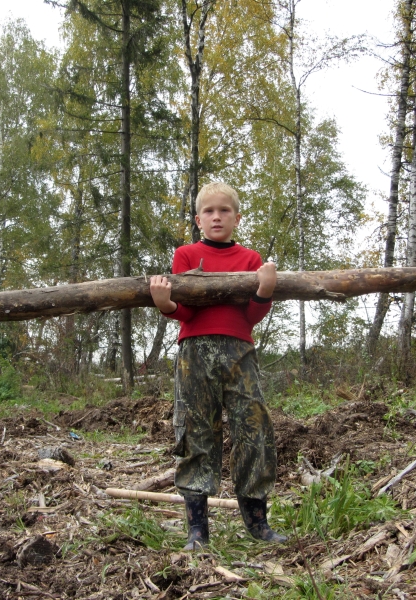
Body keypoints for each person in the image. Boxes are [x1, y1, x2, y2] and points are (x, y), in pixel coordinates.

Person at [149, 181, 286, 551]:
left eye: (224, 210)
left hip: (240, 353)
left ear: (237, 218)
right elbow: (186, 312)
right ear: (198, 220)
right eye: (208, 211)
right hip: (195, 354)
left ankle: (258, 523)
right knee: (195, 433)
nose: (216, 217)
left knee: (253, 430)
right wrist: (165, 304)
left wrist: (265, 290)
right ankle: (197, 531)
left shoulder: (251, 259)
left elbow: (252, 316)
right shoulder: (186, 255)